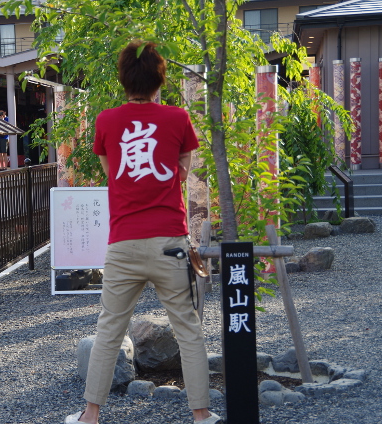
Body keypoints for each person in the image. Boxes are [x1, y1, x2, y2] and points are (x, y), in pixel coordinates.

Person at [65, 41, 222, 424]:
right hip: (169, 241)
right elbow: (182, 167)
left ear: (123, 80)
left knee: (109, 331)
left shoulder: (105, 121)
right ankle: (202, 415)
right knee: (188, 329)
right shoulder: (178, 118)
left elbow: (110, 170)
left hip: (123, 245)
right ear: (159, 79)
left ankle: (90, 415)